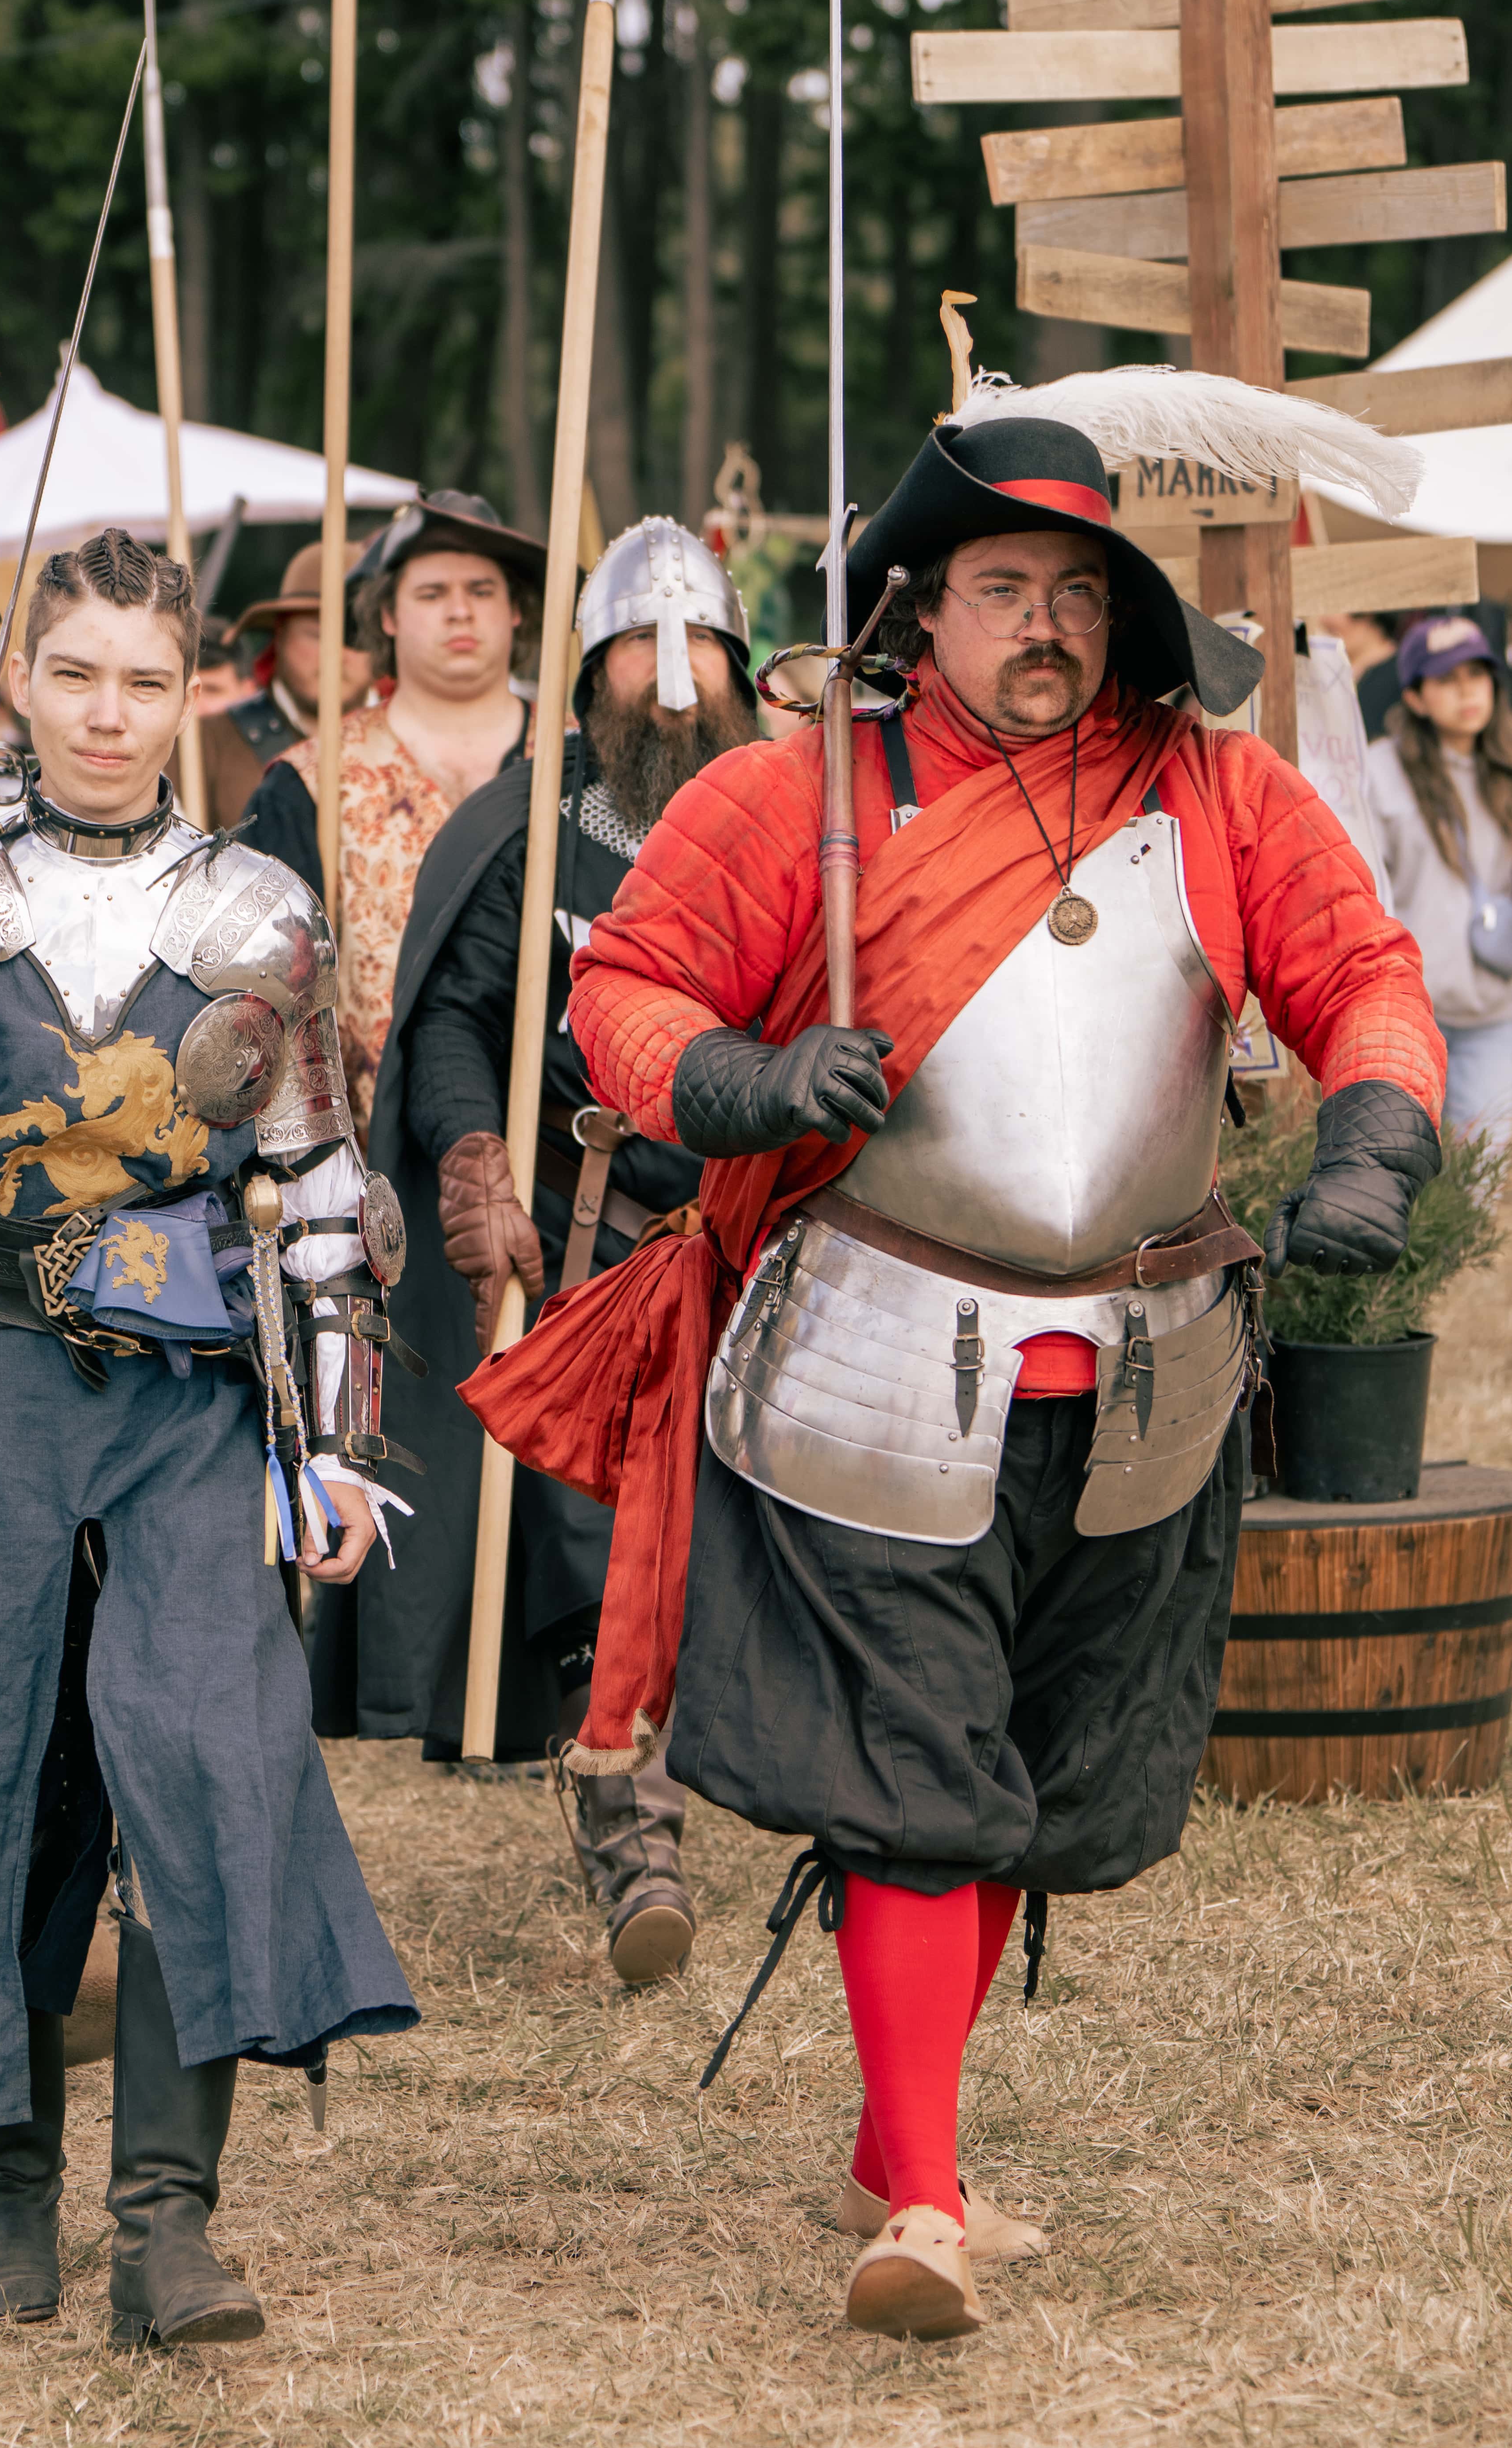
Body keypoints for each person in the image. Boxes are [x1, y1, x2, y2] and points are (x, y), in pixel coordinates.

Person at [472, 380, 1445, 2343]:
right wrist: (739, 1078)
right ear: (921, 601)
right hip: (875, 1350)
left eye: (1077, 591)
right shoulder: (790, 794)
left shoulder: (1219, 790)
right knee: (920, 1765)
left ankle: (889, 2132)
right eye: (1005, 586)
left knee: (1021, 1768)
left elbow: (1362, 972)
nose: (1046, 626)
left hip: (1147, 1371)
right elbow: (623, 993)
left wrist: (1372, 1136)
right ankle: (920, 2192)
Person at [0, 522, 417, 2345]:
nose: (109, 714)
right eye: (77, 674)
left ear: (193, 691)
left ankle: (167, 2225)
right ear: (18, 680)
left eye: (145, 680)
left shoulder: (258, 914)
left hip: (188, 1395)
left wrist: (335, 1446)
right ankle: (9, 2192)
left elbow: (321, 1195)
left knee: (206, 1760)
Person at [355, 521, 760, 1983]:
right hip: (601, 1240)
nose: (673, 678)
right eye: (643, 648)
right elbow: (458, 1013)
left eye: (699, 646)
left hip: (769, 1229)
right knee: (604, 1537)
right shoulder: (534, 826)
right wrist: (473, 1158)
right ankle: (632, 1827)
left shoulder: (789, 812)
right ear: (589, 673)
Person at [243, 494, 545, 1126]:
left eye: (482, 590)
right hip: (373, 1154)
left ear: (517, 608)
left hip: (564, 1155)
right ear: (386, 614)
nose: (460, 610)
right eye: (432, 593)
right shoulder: (309, 786)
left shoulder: (577, 767)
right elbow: (269, 1008)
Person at [1365, 612, 1512, 1139]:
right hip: (1406, 1012)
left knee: (1484, 1167)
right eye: (1446, 679)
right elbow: (1367, 888)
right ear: (1414, 697)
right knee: (1407, 1162)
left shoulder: (1506, 765)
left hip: (1492, 1014)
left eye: (1476, 674)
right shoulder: (1378, 771)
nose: (1466, 690)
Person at [196, 544, 374, 831]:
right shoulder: (203, 743)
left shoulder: (416, 742)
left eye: (354, 637)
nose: (336, 654)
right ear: (280, 637)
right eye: (318, 636)